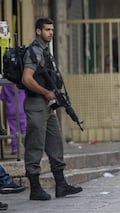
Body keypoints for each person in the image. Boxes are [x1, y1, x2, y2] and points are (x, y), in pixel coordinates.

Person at [22, 18, 83, 201]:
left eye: (52, 29)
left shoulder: (45, 51)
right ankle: (35, 188)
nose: (51, 32)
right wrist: (46, 92)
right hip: (36, 105)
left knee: (55, 144)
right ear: (38, 31)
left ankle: (61, 185)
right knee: (35, 146)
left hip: (47, 107)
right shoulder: (34, 51)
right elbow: (27, 78)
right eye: (47, 29)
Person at [0, 85, 27, 155]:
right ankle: (28, 147)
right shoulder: (21, 84)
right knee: (25, 129)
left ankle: (15, 148)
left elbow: (2, 97)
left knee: (13, 130)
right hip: (22, 110)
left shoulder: (5, 86)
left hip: (11, 111)